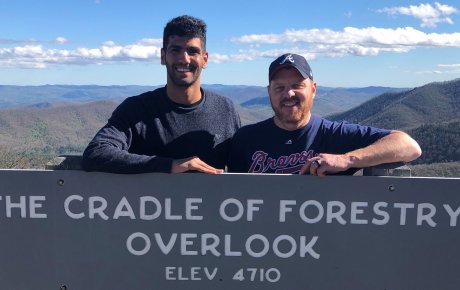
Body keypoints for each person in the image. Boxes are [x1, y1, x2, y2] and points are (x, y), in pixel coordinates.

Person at [82, 15, 241, 174]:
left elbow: (242, 169)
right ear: (163, 56)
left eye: (193, 51)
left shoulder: (225, 110)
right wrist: (169, 166)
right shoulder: (137, 109)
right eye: (175, 50)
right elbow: (96, 153)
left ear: (205, 59)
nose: (184, 59)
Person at [228, 53, 421, 176]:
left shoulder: (335, 135)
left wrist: (346, 159)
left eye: (297, 86)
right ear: (269, 91)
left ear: (313, 89)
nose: (289, 94)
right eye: (280, 87)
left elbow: (409, 146)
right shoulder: (246, 139)